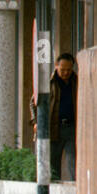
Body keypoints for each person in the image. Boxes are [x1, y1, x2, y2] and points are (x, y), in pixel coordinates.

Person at [31, 52, 77, 181]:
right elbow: (33, 102)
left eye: (69, 70)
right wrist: (36, 121)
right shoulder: (48, 82)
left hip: (72, 127)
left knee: (73, 160)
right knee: (53, 161)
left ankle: (75, 187)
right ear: (56, 66)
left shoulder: (77, 82)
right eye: (62, 69)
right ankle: (53, 189)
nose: (66, 73)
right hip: (54, 127)